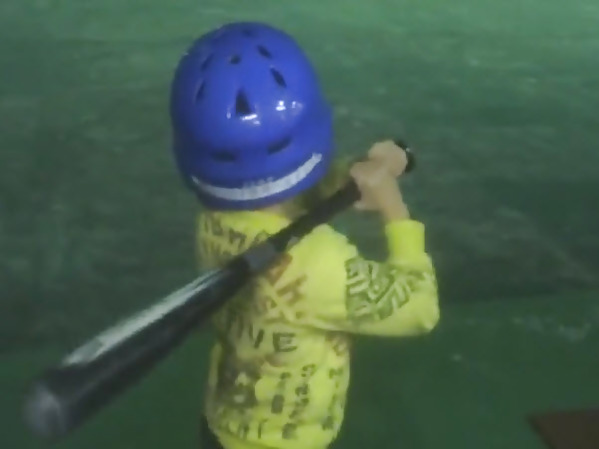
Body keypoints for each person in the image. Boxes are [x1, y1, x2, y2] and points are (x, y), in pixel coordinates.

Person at [169, 21, 440, 449]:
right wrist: (395, 211)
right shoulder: (322, 263)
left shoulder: (213, 218)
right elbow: (420, 309)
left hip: (223, 423)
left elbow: (273, 194)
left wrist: (352, 175)